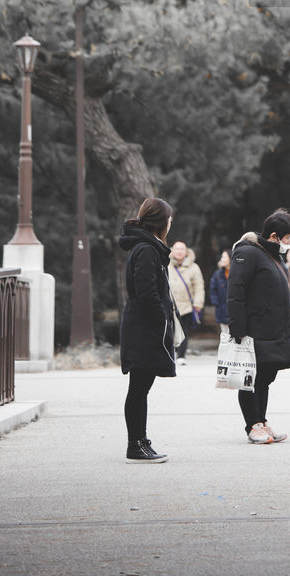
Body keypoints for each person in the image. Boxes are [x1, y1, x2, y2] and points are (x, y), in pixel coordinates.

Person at [227, 208, 290, 444]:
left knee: (265, 377)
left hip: (273, 330)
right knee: (251, 378)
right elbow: (236, 291)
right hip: (253, 330)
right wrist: (238, 328)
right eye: (287, 238)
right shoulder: (248, 253)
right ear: (275, 236)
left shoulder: (272, 255)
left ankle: (262, 420)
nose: (289, 243)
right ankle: (252, 424)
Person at [118, 196, 177, 463]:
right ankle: (135, 444)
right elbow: (146, 292)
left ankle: (140, 440)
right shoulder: (146, 249)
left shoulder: (149, 248)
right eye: (169, 218)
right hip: (143, 328)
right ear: (161, 221)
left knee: (141, 387)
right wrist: (162, 319)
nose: (171, 222)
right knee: (139, 387)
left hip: (144, 325)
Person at [167, 240, 205, 364]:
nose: (179, 251)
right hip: (168, 305)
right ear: (172, 250)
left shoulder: (194, 267)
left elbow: (199, 286)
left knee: (183, 331)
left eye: (182, 249)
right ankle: (169, 354)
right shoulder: (166, 264)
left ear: (186, 252)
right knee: (168, 331)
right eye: (176, 248)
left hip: (186, 306)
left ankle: (181, 355)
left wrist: (198, 304)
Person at [209, 249, 231, 335]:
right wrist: (216, 303)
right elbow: (212, 289)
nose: (221, 259)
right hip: (221, 309)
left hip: (234, 310)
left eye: (224, 257)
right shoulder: (218, 274)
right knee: (224, 334)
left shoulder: (236, 273)